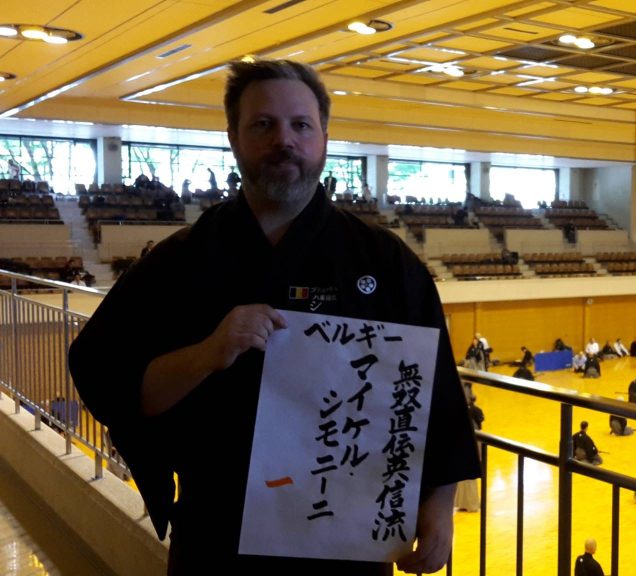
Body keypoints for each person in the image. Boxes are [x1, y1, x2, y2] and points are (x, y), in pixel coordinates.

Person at [68, 59, 479, 575]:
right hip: (219, 536)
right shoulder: (180, 260)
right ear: (234, 138)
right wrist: (206, 354)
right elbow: (109, 379)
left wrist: (439, 508)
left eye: (300, 125)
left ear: (324, 138)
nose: (284, 139)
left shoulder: (384, 262)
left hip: (347, 540)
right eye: (263, 124)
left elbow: (434, 390)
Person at [455, 397, 485, 512]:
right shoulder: (476, 410)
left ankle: (464, 503)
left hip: (464, 441)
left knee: (463, 477)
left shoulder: (460, 411)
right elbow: (481, 421)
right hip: (472, 440)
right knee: (470, 476)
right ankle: (471, 504)